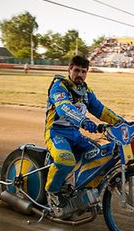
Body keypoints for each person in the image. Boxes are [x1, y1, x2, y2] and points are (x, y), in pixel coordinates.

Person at [45, 54, 123, 213]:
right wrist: (84, 122)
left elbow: (101, 110)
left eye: (84, 71)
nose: (80, 75)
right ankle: (52, 193)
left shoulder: (86, 91)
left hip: (75, 135)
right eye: (77, 70)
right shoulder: (59, 87)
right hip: (56, 134)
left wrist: (122, 123)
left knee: (102, 158)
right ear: (69, 70)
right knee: (65, 160)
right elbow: (64, 107)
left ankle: (87, 195)